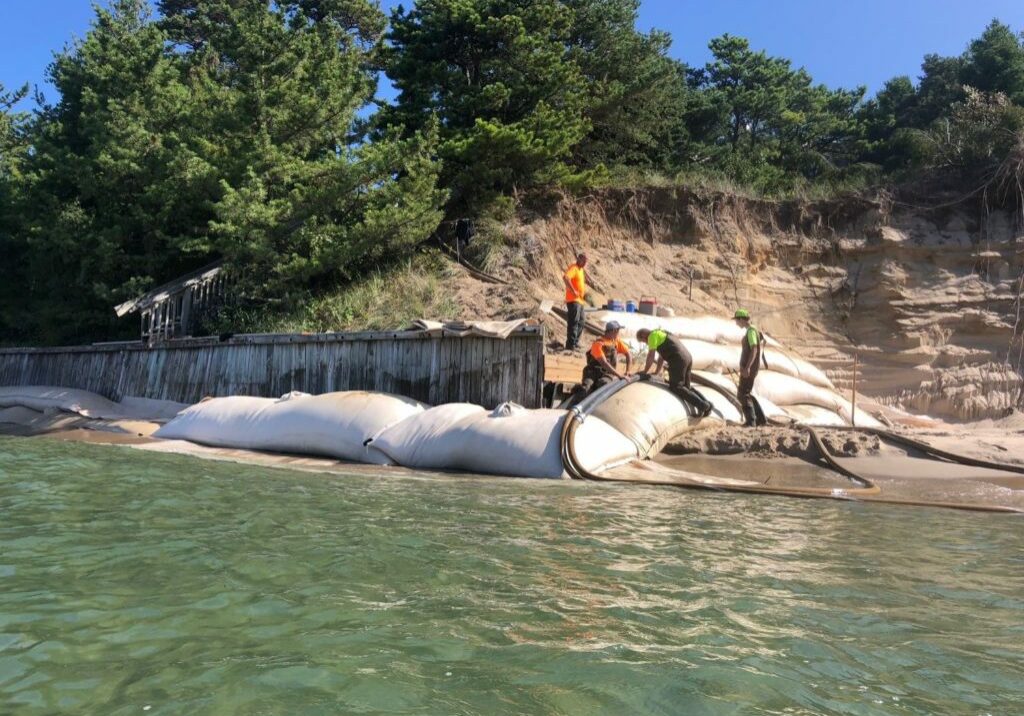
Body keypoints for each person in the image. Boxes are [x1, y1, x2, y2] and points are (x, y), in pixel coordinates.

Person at [636, 328, 713, 418]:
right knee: (686, 387)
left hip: (678, 359)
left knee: (676, 387)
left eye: (644, 341)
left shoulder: (652, 336)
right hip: (687, 357)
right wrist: (656, 372)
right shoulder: (661, 333)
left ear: (644, 336)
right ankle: (708, 405)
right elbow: (661, 357)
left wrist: (645, 371)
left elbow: (651, 356)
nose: (646, 343)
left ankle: (702, 406)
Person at [579, 321, 632, 397]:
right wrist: (619, 375)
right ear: (614, 331)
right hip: (592, 372)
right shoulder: (598, 344)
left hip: (607, 374)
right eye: (618, 331)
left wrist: (628, 371)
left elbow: (628, 354)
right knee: (586, 388)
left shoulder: (616, 341)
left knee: (604, 384)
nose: (618, 333)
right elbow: (604, 363)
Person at [733, 308, 766, 427]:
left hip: (749, 369)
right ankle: (760, 419)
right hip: (750, 368)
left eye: (737, 320)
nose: (736, 323)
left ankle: (751, 421)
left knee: (742, 394)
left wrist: (747, 367)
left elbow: (754, 349)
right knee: (746, 392)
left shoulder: (751, 332)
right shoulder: (752, 330)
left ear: (742, 319)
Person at [562, 253, 588, 351]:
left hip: (580, 301)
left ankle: (575, 342)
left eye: (586, 262)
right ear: (579, 259)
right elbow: (566, 277)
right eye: (584, 261)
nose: (585, 263)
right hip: (573, 300)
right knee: (574, 322)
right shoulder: (574, 268)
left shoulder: (581, 270)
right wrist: (573, 290)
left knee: (581, 322)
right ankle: (570, 345)